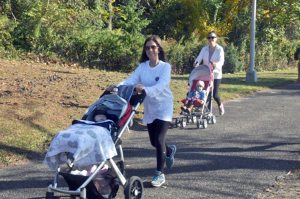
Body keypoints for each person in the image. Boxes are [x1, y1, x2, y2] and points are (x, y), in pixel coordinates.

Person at [112, 35, 176, 187]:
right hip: (150, 107)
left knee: (159, 139)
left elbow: (162, 85)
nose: (150, 50)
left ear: (159, 49)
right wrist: (116, 86)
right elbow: (130, 81)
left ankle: (159, 174)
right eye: (147, 47)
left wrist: (145, 89)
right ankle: (169, 151)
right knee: (154, 142)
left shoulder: (165, 67)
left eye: (153, 47)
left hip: (164, 106)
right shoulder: (143, 67)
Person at [193, 31, 225, 115]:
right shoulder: (204, 49)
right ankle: (206, 110)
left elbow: (221, 61)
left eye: (213, 37)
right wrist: (196, 63)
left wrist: (216, 64)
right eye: (209, 38)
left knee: (214, 95)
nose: (211, 39)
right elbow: (199, 58)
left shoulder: (219, 49)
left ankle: (220, 105)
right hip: (206, 73)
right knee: (206, 92)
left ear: (216, 39)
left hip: (216, 74)